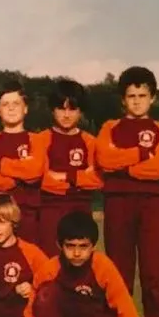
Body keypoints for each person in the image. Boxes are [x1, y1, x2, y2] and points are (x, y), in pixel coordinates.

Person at [96, 66, 159, 317]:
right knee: (119, 274)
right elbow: (105, 159)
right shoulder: (110, 128)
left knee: (153, 273)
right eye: (131, 96)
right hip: (118, 202)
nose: (137, 101)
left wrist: (124, 165)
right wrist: (141, 155)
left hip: (152, 204)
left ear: (152, 98)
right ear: (122, 100)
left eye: (143, 95)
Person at [31, 210, 141, 317]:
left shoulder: (103, 267)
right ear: (59, 245)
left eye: (83, 246)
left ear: (93, 246)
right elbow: (30, 315)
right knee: (44, 296)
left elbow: (128, 314)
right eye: (70, 246)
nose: (76, 253)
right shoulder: (49, 269)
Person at [37, 79, 103, 257]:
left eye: (72, 109)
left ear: (80, 111)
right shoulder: (40, 140)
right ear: (52, 109)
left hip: (81, 210)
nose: (66, 115)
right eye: (61, 108)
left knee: (79, 263)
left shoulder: (90, 142)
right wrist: (80, 177)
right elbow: (42, 179)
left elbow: (96, 180)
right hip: (49, 211)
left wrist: (64, 177)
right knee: (49, 262)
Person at [0, 80, 44, 244]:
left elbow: (35, 171)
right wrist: (18, 178)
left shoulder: (37, 140)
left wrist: (1, 165)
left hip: (26, 216)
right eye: (5, 104)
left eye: (16, 103)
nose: (11, 108)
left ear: (25, 108)